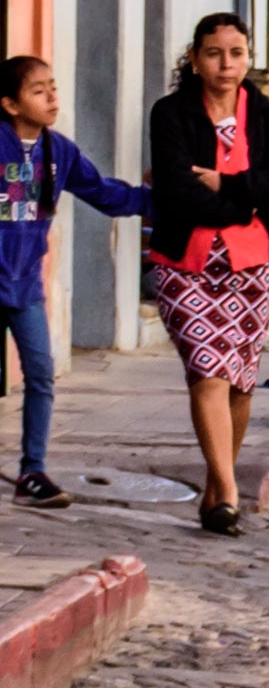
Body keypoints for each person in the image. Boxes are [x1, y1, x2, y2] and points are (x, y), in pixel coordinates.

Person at [136, 12, 269, 538]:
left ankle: (216, 493)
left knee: (240, 382)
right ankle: (229, 490)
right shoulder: (171, 113)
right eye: (214, 53)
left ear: (247, 57)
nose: (226, 64)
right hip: (184, 265)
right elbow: (175, 191)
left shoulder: (265, 113)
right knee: (208, 370)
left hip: (251, 266)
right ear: (195, 59)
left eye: (236, 53)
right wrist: (243, 202)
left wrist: (227, 183)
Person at [0, 53, 145, 505]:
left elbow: (103, 192)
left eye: (53, 88)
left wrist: (159, 200)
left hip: (25, 289)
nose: (52, 98)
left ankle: (33, 474)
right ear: (10, 104)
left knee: (41, 374)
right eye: (38, 90)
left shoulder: (58, 151)